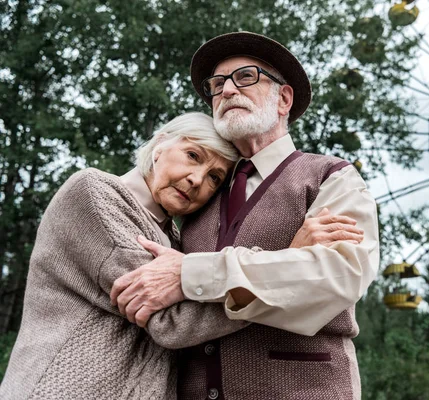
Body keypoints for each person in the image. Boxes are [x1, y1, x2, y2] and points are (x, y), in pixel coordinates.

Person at [0, 112, 363, 399]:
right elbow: (171, 322)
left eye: (214, 178)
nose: (196, 180)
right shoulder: (95, 194)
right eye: (193, 156)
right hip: (69, 388)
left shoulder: (173, 237)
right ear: (160, 145)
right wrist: (287, 262)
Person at [112, 32, 380, 399]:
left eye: (246, 77)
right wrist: (289, 259)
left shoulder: (331, 177)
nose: (226, 91)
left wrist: (189, 273)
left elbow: (339, 278)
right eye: (218, 84)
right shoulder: (198, 194)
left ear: (283, 99)